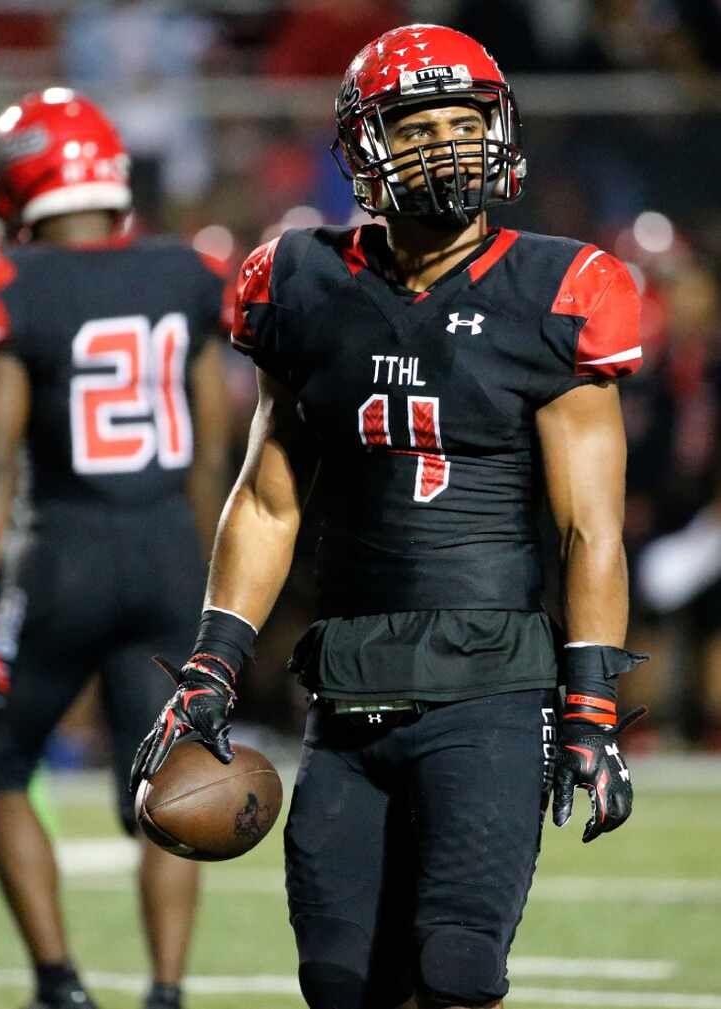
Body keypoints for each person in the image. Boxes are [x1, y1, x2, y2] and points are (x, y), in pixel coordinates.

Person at [131, 24, 647, 1009]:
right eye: (422, 125)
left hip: (488, 687)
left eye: (468, 121)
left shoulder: (553, 287)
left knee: (454, 971)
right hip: (346, 684)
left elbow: (591, 526)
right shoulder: (300, 283)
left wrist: (587, 699)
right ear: (364, 145)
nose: (451, 144)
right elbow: (269, 498)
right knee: (336, 981)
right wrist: (212, 661)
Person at [0, 89, 229, 1009]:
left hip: (65, 552)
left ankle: (60, 983)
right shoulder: (184, 272)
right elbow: (211, 446)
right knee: (168, 787)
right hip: (171, 554)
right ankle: (169, 989)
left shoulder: (8, 285)